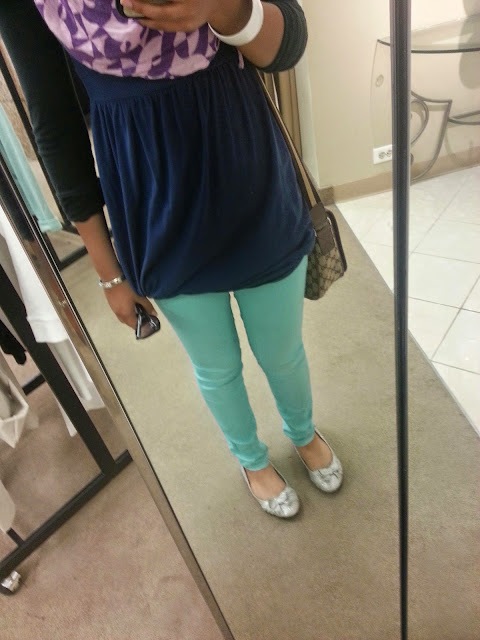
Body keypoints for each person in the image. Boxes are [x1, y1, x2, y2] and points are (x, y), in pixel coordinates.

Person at [33, 0, 343, 518]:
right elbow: (56, 128)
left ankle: (303, 432)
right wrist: (108, 275)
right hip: (155, 208)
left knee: (282, 349)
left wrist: (220, 6)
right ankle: (251, 460)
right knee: (215, 366)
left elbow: (288, 41)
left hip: (250, 177)